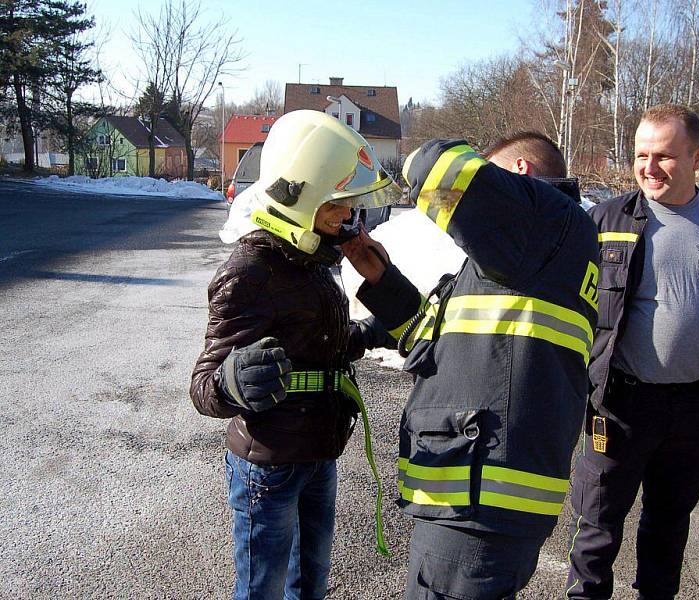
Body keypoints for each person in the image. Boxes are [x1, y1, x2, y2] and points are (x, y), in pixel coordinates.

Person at [343, 131, 600, 599]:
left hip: (480, 496)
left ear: (518, 177)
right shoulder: (533, 252)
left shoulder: (543, 217)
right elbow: (431, 342)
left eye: (491, 174)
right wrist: (378, 276)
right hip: (480, 496)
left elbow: (430, 165)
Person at [189, 110, 401, 600]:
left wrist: (366, 334)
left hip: (319, 453)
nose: (347, 217)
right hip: (270, 464)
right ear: (300, 200)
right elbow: (202, 386)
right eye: (336, 206)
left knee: (310, 585)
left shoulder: (314, 261)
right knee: (261, 589)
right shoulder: (250, 271)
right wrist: (230, 381)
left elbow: (318, 345)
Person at [564, 104, 699, 599]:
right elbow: (574, 304)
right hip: (621, 404)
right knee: (598, 527)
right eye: (641, 155)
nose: (649, 168)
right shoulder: (606, 219)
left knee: (669, 524)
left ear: (698, 158)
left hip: (696, 408)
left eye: (665, 156)